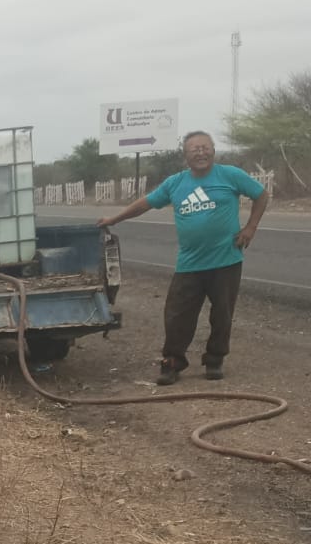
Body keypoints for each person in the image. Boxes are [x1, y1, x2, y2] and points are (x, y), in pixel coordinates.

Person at [96, 131, 268, 385]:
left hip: (226, 260)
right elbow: (145, 203)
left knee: (222, 314)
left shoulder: (230, 175)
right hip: (190, 263)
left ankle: (215, 359)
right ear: (185, 155)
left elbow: (261, 194)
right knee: (177, 314)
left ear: (213, 150)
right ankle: (173, 361)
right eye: (194, 149)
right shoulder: (175, 183)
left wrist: (251, 227)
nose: (201, 152)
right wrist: (114, 219)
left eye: (205, 147)